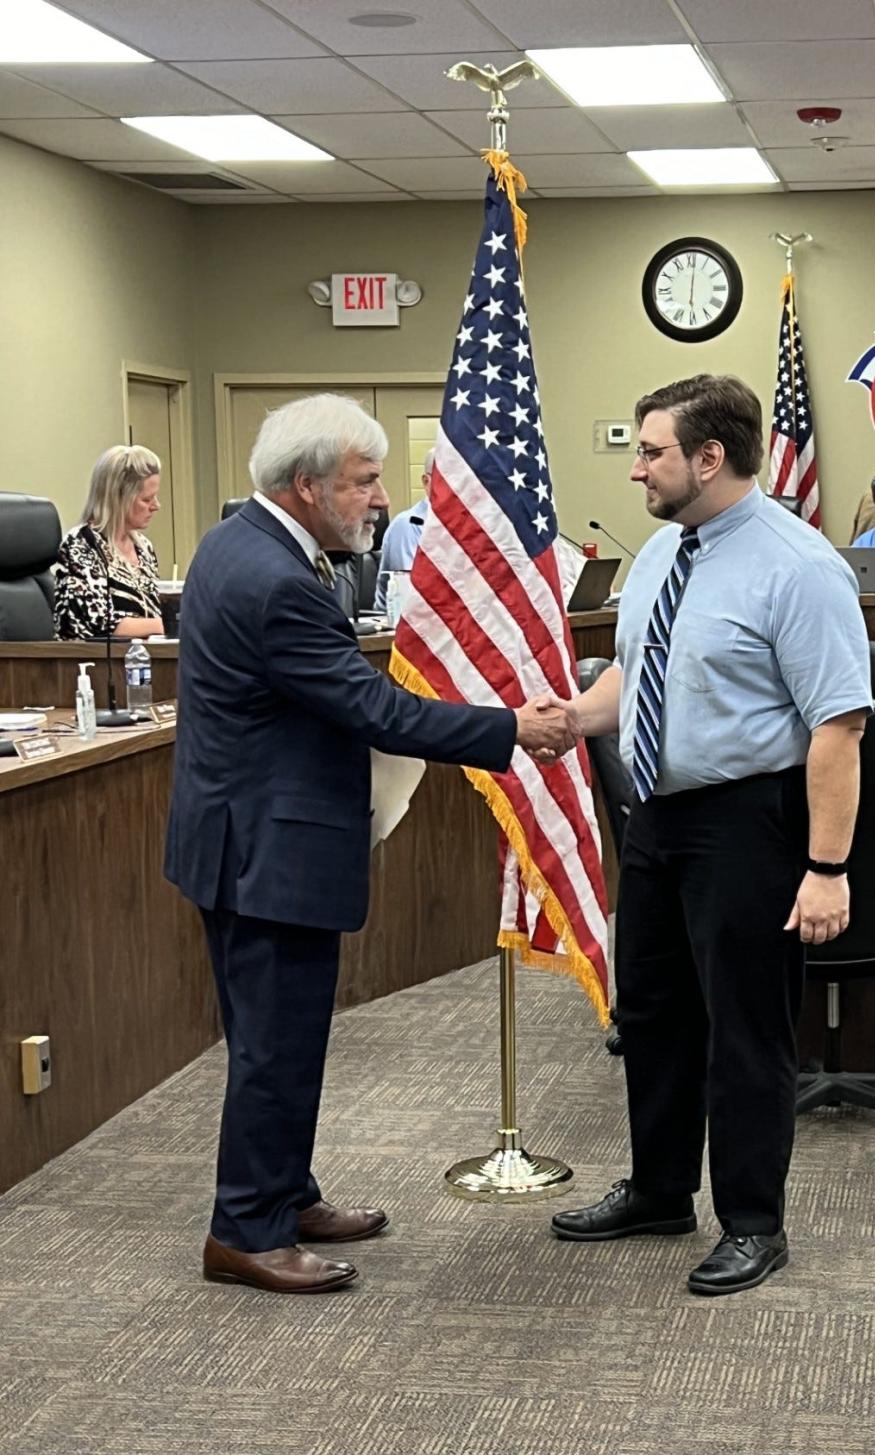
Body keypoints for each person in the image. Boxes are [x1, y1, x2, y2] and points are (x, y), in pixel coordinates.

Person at [164, 394, 577, 1296]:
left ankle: (284, 1194)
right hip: (266, 852)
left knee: (276, 1037)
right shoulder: (276, 584)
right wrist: (512, 727)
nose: (382, 498)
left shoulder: (238, 544)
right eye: (364, 481)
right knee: (275, 1043)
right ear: (308, 486)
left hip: (238, 838)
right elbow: (373, 708)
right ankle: (246, 1231)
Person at [550, 375, 871, 1297]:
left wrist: (826, 869)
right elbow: (634, 675)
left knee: (745, 1029)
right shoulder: (660, 552)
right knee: (649, 1011)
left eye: (649, 452)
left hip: (748, 824)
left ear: (708, 458)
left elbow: (840, 726)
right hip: (658, 816)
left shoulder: (798, 566)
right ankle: (658, 1189)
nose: (635, 469)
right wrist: (571, 719)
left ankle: (753, 1223)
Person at [54, 444, 165, 640]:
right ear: (118, 498)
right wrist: (171, 624)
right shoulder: (81, 545)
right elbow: (101, 622)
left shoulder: (144, 548)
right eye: (147, 499)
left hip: (143, 658)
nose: (156, 506)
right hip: (88, 663)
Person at [376, 446, 434, 608]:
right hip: (400, 627)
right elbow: (410, 596)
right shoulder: (408, 525)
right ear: (426, 482)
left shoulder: (464, 528)